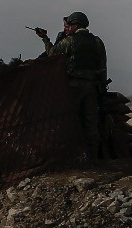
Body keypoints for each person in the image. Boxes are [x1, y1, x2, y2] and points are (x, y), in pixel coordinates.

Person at [33, 12, 108, 161]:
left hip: (74, 86)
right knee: (91, 123)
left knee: (69, 120)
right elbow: (102, 66)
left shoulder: (70, 41)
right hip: (92, 87)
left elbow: (52, 54)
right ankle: (93, 158)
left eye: (69, 25)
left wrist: (45, 39)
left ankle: (72, 158)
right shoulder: (97, 42)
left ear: (75, 25)